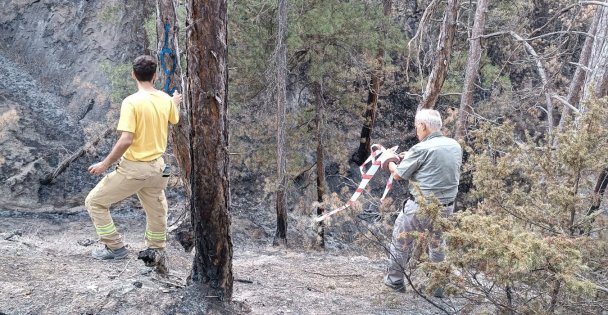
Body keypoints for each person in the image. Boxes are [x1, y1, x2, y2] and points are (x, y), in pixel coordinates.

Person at [85, 55, 182, 261]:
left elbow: (126, 139)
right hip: (159, 169)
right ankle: (155, 249)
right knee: (157, 208)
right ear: (155, 76)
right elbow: (174, 118)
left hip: (134, 170)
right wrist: (174, 102)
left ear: (133, 75)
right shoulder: (165, 99)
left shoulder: (131, 102)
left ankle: (115, 247)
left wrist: (105, 164)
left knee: (95, 202)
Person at [382, 109, 462, 297]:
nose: (416, 129)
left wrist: (388, 161)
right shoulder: (454, 145)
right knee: (437, 244)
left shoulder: (421, 149)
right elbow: (431, 164)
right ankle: (438, 286)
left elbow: (398, 174)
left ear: (423, 126)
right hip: (446, 207)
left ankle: (394, 282)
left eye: (417, 126)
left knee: (401, 240)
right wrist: (406, 157)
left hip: (419, 206)